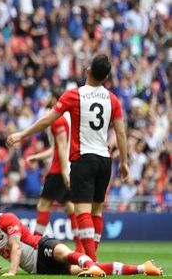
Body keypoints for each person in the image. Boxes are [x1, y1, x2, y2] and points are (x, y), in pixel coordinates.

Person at [7, 54, 130, 261]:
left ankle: (90, 261)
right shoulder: (113, 100)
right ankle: (92, 258)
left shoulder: (74, 95)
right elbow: (121, 134)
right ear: (107, 76)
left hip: (83, 158)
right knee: (97, 211)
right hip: (104, 159)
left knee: (81, 210)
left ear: (88, 71)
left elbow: (48, 119)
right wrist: (124, 162)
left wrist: (22, 135)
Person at [0, 199, 163, 277]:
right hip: (39, 269)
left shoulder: (7, 219)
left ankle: (91, 263)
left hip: (39, 247)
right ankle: (143, 268)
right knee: (81, 269)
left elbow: (16, 247)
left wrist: (12, 271)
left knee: (63, 252)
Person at [25, 95, 83, 252]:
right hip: (66, 166)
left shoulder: (57, 121)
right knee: (70, 207)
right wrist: (38, 157)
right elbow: (56, 148)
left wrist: (64, 171)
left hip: (58, 169)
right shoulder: (65, 120)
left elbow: (62, 147)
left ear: (54, 101)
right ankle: (80, 247)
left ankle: (34, 243)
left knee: (43, 205)